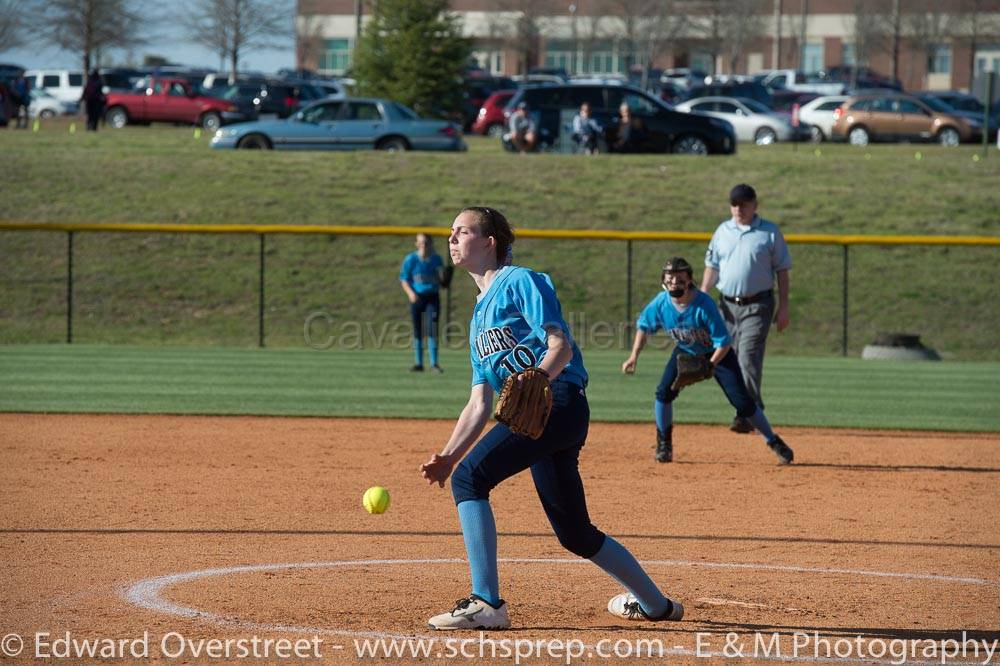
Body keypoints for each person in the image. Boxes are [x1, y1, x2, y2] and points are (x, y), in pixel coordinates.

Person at [420, 206, 683, 630]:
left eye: (462, 231)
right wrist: (449, 457)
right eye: (450, 232)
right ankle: (657, 605)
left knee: (473, 479)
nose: (451, 239)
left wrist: (539, 378)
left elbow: (559, 344)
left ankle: (487, 602)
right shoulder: (476, 321)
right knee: (574, 533)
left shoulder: (520, 281)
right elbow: (478, 404)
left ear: (489, 242)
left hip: (557, 400)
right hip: (544, 414)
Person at [623, 257, 794, 465]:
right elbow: (644, 326)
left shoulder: (703, 304)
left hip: (718, 355)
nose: (674, 283)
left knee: (742, 402)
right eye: (670, 279)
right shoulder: (661, 303)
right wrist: (634, 356)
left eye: (679, 279)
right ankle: (663, 444)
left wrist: (710, 365)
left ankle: (773, 440)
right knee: (663, 393)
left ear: (689, 281)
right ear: (663, 281)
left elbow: (724, 342)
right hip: (685, 351)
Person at [700, 184, 792, 435]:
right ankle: (753, 408)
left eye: (744, 204)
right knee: (729, 359)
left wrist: (784, 307)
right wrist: (702, 299)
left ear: (755, 205)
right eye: (734, 204)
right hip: (726, 305)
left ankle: (746, 413)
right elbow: (712, 267)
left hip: (758, 304)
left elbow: (782, 271)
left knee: (747, 356)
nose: (738, 208)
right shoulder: (722, 231)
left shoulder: (769, 232)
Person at [399, 233, 445, 373]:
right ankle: (418, 363)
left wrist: (444, 279)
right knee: (418, 329)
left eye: (426, 242)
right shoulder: (411, 259)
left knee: (432, 329)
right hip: (417, 297)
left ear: (431, 244)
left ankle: (434, 364)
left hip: (432, 296)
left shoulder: (437, 259)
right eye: (421, 242)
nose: (423, 245)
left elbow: (441, 279)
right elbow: (404, 279)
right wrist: (411, 293)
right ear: (416, 243)